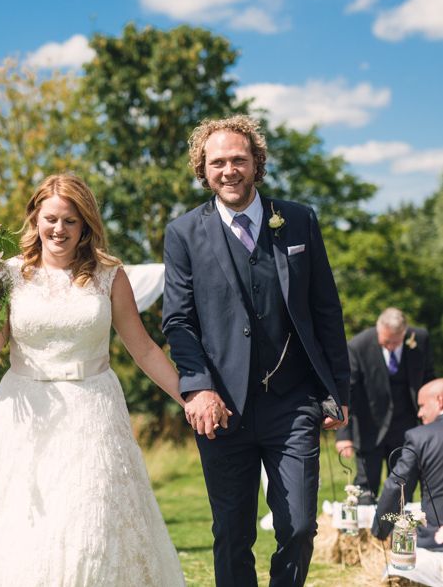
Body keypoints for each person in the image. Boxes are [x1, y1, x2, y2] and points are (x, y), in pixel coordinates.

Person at [0, 174, 186, 586]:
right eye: (50, 218)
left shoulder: (109, 275)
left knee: (91, 521)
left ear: (85, 225)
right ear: (35, 219)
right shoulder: (8, 276)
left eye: (70, 220)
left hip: (92, 409)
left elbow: (144, 349)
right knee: (28, 524)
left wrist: (188, 398)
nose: (58, 229)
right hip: (25, 414)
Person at [162, 114, 350, 587]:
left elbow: (326, 309)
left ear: (257, 164)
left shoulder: (299, 220)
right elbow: (178, 321)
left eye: (238, 160)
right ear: (202, 170)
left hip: (294, 403)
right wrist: (198, 388)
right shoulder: (183, 233)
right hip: (222, 406)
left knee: (300, 526)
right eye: (217, 162)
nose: (229, 170)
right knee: (232, 532)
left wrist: (337, 391)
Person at [336, 308, 434, 502]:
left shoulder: (420, 339)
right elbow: (348, 391)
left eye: (395, 342)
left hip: (406, 427)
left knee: (401, 489)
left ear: (404, 333)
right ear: (378, 329)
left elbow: (428, 378)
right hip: (369, 427)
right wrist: (343, 434)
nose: (390, 346)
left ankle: (400, 531)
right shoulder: (358, 345)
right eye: (385, 341)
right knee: (365, 490)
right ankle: (366, 531)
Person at [372, 378, 443, 584]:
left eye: (421, 405)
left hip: (435, 543)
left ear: (439, 401)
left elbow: (397, 485)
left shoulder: (419, 437)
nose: (419, 413)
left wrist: (380, 529)